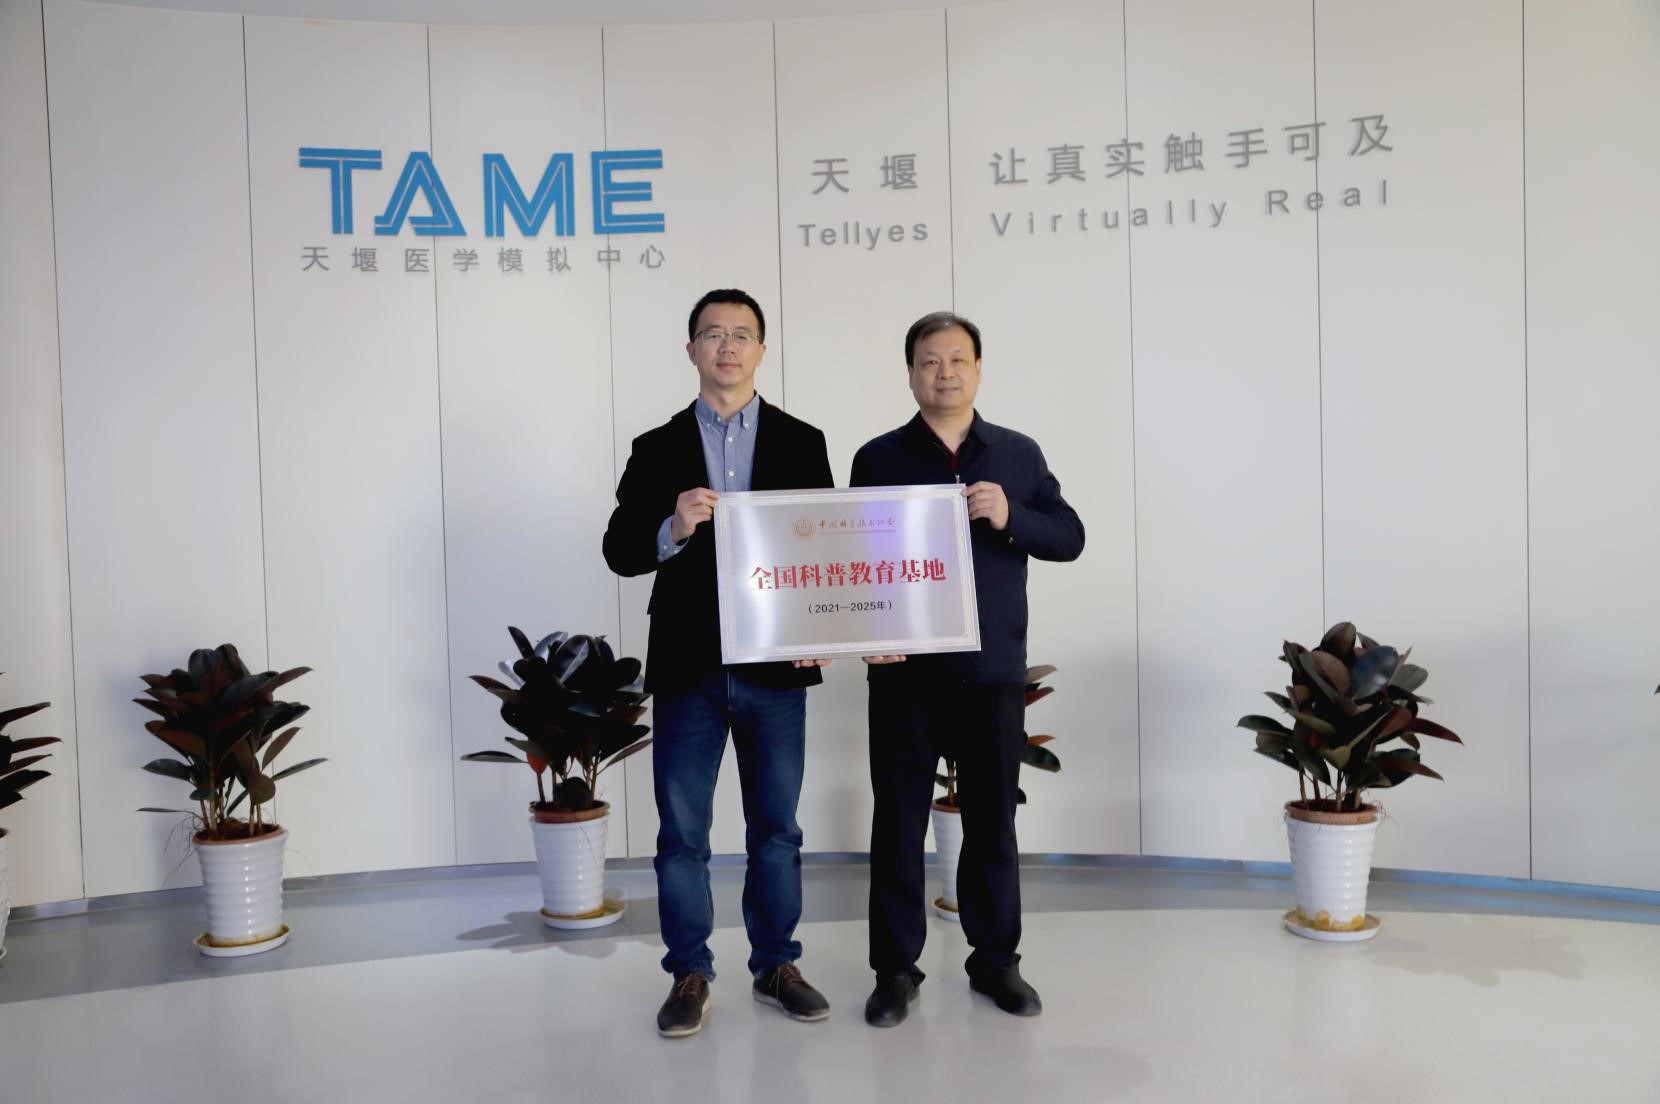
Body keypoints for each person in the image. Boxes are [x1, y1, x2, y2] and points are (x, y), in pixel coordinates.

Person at [603, 288, 835, 1039]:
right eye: (712, 334)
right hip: (689, 668)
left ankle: (776, 966)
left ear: (761, 349)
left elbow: (826, 545)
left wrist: (826, 625)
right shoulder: (655, 447)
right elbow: (618, 549)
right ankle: (689, 973)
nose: (727, 346)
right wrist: (671, 526)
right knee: (682, 836)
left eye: (741, 334)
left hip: (776, 668)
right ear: (692, 350)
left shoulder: (803, 440)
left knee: (778, 831)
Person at [850, 310, 1085, 1027]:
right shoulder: (879, 458)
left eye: (957, 359)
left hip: (992, 670)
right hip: (905, 675)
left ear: (978, 369)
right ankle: (895, 971)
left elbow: (1069, 536)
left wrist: (1012, 515)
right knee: (897, 825)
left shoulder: (1017, 454)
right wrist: (866, 631)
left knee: (992, 824)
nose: (944, 372)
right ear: (910, 373)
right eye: (929, 360)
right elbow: (855, 558)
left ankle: (996, 962)